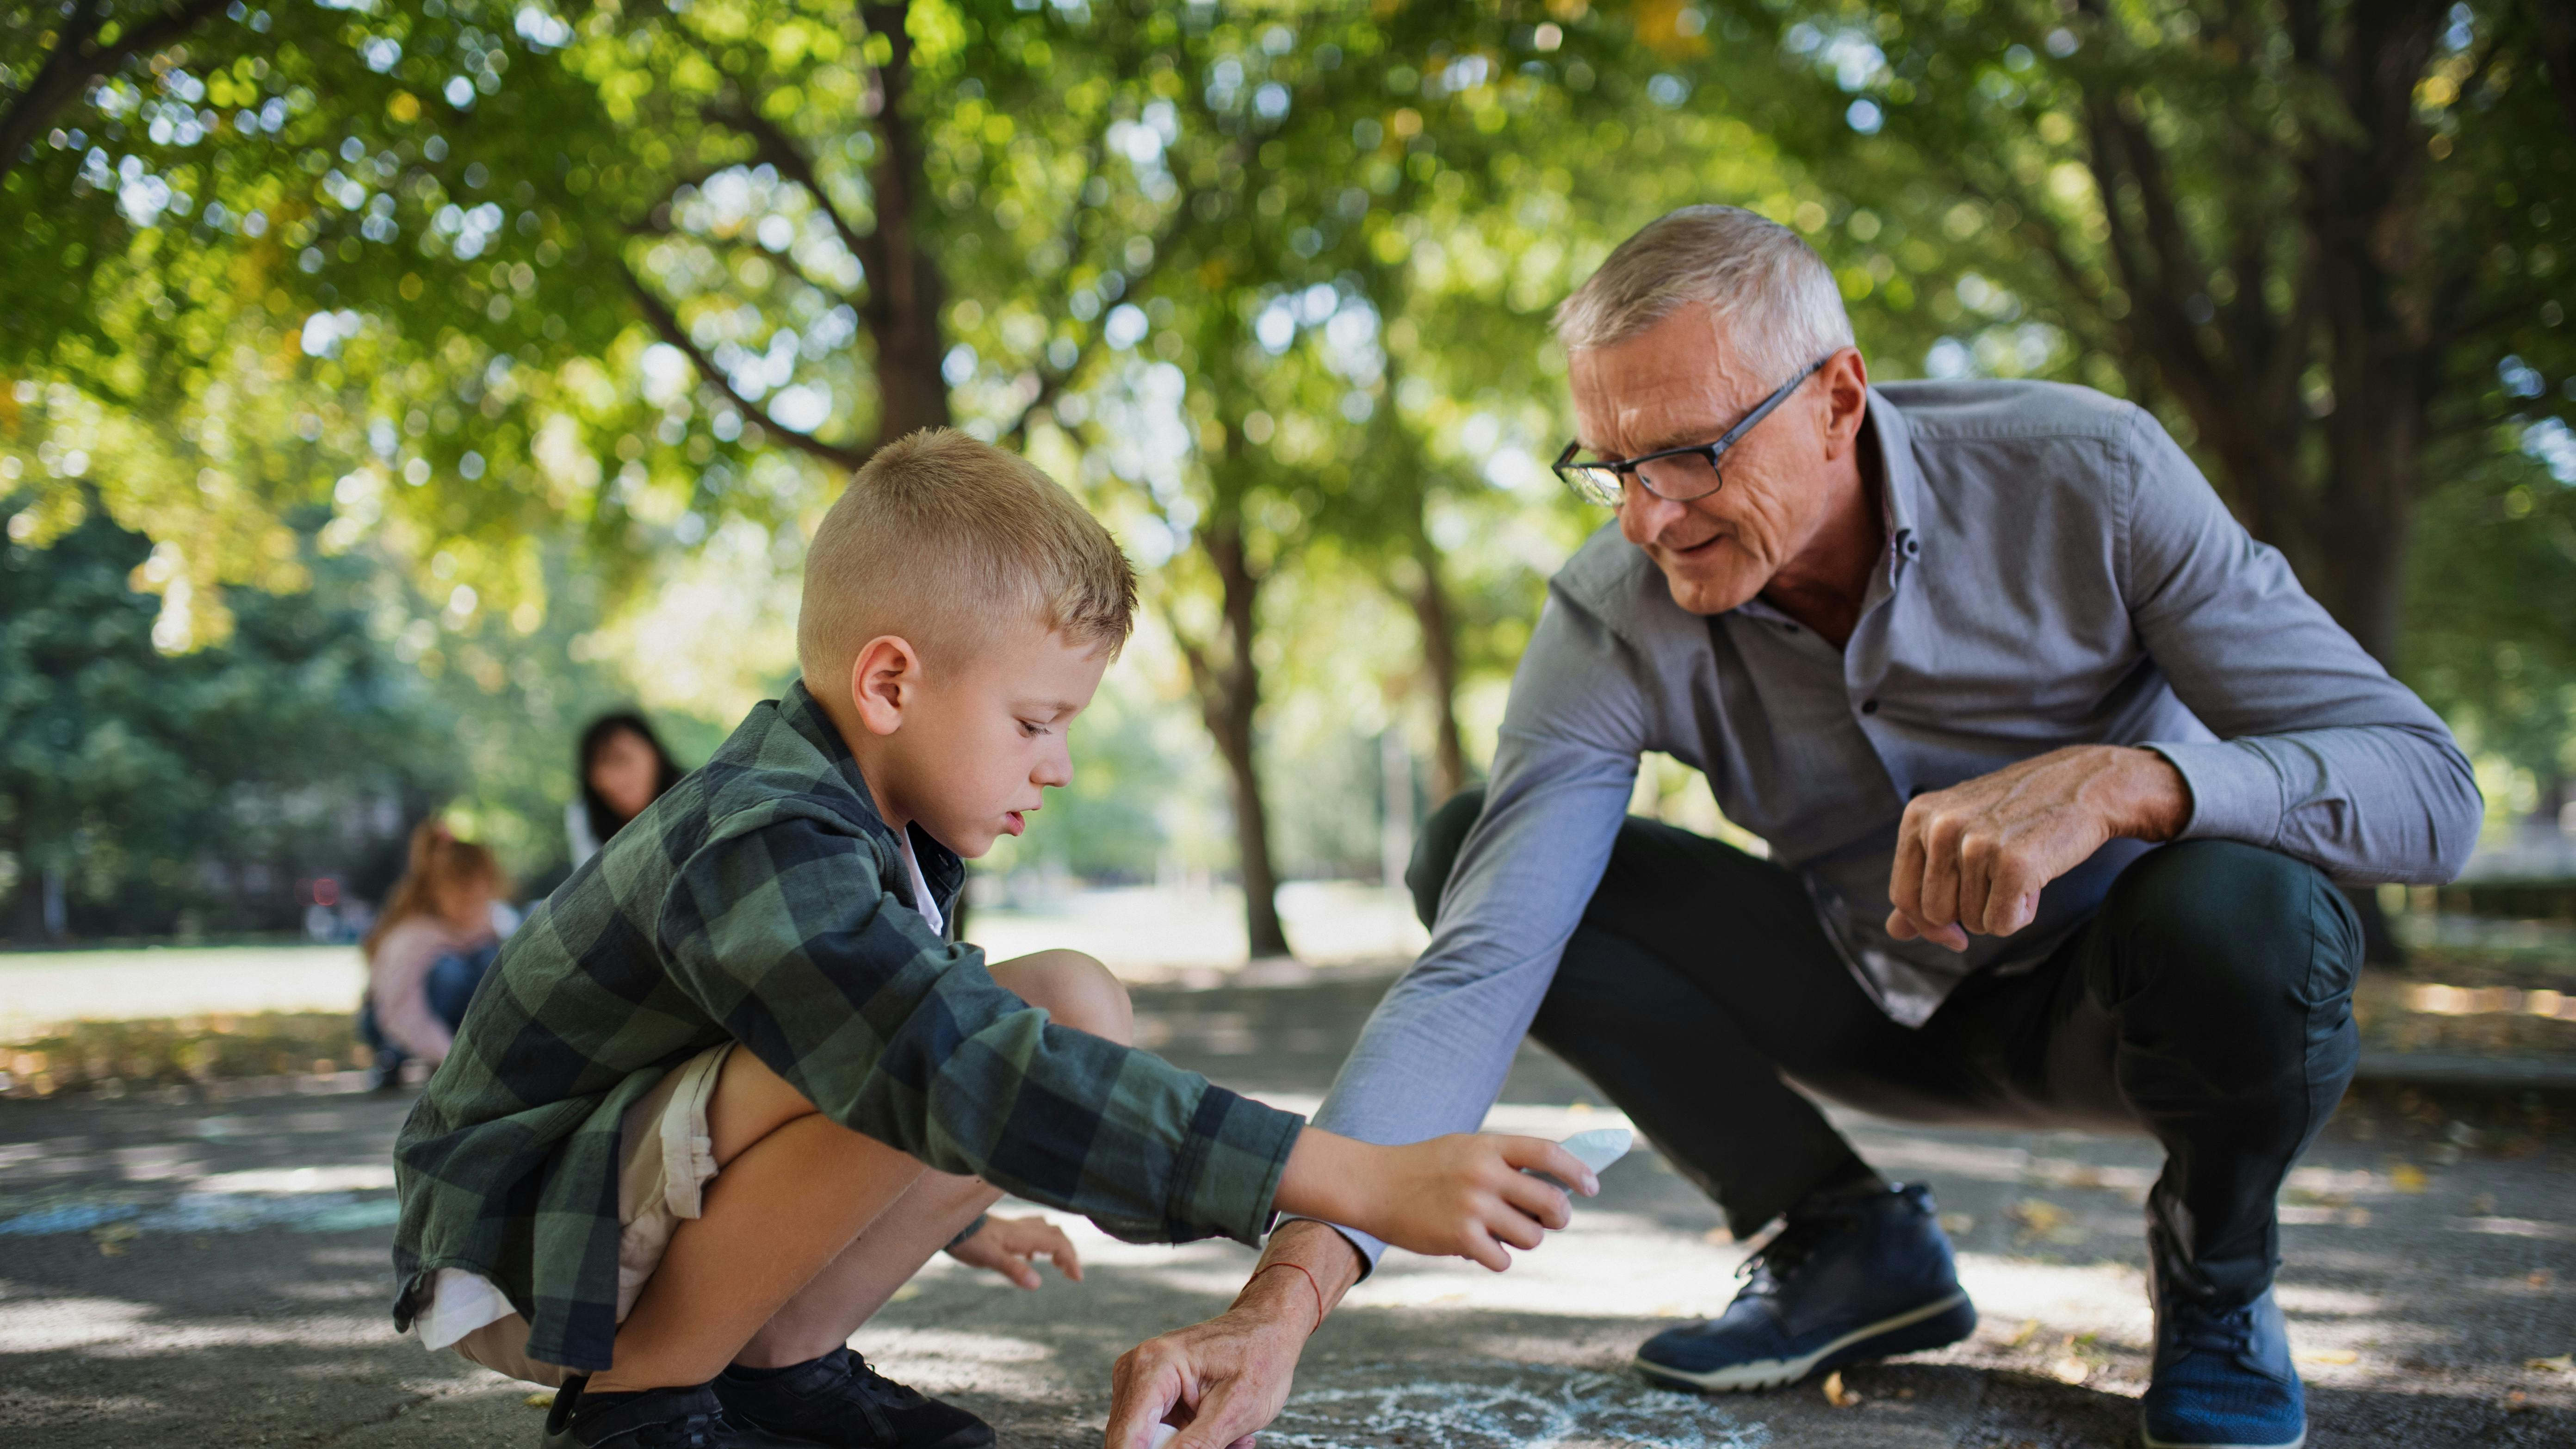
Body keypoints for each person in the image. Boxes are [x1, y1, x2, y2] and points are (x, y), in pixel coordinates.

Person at [1105, 206, 2480, 1449]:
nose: (1650, 516)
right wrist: (1279, 1301)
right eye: (1612, 466)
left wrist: (2126, 782)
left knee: (2253, 903)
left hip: (2132, 998)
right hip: (1867, 991)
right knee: (1460, 842)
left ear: (1836, 398)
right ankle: (1840, 1240)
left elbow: (2428, 792)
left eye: (1693, 455)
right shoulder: (1612, 608)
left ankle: (2217, 1267)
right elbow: (1485, 958)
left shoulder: (2092, 478)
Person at [389, 429, 1598, 1449]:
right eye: (1034, 720)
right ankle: (642, 1401)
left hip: (613, 1200)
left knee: (1067, 995)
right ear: (889, 685)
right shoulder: (765, 836)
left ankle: (775, 1372)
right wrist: (1357, 1176)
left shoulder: (883, 826)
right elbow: (939, 1061)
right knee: (968, 1040)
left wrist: (961, 1215)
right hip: (529, 1241)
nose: (1059, 764)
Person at [358, 821, 513, 1089]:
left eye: (481, 898)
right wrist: (452, 1060)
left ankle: (453, 1050)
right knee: (450, 972)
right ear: (436, 892)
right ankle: (393, 1060)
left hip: (442, 1024)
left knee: (492, 960)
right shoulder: (413, 934)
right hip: (392, 1022)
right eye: (464, 899)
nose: (474, 908)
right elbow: (400, 1011)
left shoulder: (487, 925)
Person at [567, 712, 687, 869]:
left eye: (622, 760)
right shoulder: (584, 814)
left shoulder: (694, 795)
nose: (612, 780)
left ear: (655, 755)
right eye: (600, 767)